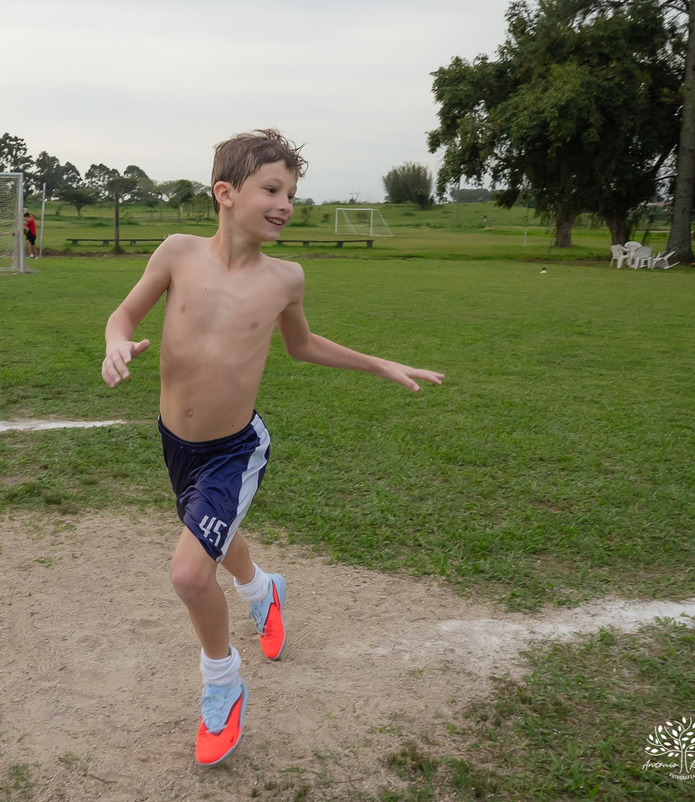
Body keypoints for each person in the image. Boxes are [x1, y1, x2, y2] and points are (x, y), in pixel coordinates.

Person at [101, 129, 444, 767]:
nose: (285, 204)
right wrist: (116, 342)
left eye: (291, 193)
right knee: (213, 529)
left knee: (189, 572)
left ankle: (222, 682)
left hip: (234, 449)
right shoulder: (177, 253)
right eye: (272, 189)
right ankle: (262, 591)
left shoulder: (286, 278)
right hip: (175, 442)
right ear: (225, 193)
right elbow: (123, 316)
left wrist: (378, 363)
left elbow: (302, 345)